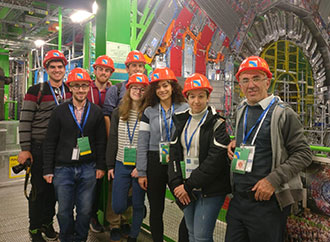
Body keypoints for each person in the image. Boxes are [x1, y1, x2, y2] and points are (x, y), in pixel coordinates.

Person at [225, 56, 313, 242]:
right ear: (240, 84)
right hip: (239, 201)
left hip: (267, 204)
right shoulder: (242, 109)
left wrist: (272, 181)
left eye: (256, 78)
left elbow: (304, 153)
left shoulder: (283, 113)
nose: (251, 85)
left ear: (268, 81)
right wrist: (236, 143)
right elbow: (253, 141)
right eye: (245, 80)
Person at [43, 68, 107, 242]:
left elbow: (101, 142)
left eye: (84, 86)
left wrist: (101, 166)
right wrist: (48, 169)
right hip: (63, 169)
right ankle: (66, 238)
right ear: (70, 87)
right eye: (77, 86)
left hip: (88, 168)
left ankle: (80, 238)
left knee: (85, 210)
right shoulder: (59, 111)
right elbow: (50, 142)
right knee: (64, 211)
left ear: (89, 87)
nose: (80, 90)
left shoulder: (96, 111)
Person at [168, 73, 231, 241]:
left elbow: (215, 161)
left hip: (210, 190)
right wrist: (176, 184)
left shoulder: (217, 124)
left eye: (201, 96)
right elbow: (173, 155)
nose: (196, 101)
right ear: (186, 98)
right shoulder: (181, 122)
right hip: (185, 189)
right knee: (192, 233)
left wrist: (188, 185)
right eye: (192, 96)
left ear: (208, 97)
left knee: (202, 237)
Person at [18, 50, 71, 242]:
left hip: (61, 150)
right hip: (39, 149)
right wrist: (25, 149)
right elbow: (25, 121)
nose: (57, 70)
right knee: (39, 190)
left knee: (55, 191)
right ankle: (34, 229)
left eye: (60, 67)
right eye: (53, 67)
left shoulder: (70, 90)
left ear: (65, 69)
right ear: (46, 69)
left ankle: (47, 224)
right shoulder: (35, 91)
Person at [136, 67, 188, 241]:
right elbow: (142, 143)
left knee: (187, 205)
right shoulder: (149, 112)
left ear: (173, 86)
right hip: (154, 161)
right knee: (156, 209)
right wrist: (142, 172)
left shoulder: (185, 108)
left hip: (177, 162)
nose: (162, 90)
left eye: (165, 85)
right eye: (158, 87)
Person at [102, 50, 146, 242]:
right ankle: (115, 223)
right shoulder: (117, 99)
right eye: (133, 65)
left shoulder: (149, 110)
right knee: (117, 201)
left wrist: (143, 167)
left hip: (139, 164)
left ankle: (132, 229)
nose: (137, 91)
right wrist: (110, 163)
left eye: (140, 65)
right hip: (120, 159)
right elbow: (112, 135)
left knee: (136, 201)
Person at [88, 55, 115, 233]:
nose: (103, 72)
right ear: (95, 70)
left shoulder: (115, 91)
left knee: (99, 181)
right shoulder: (85, 87)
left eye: (107, 70)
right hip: (87, 142)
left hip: (107, 143)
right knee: (87, 180)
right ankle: (87, 215)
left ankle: (96, 215)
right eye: (101, 69)